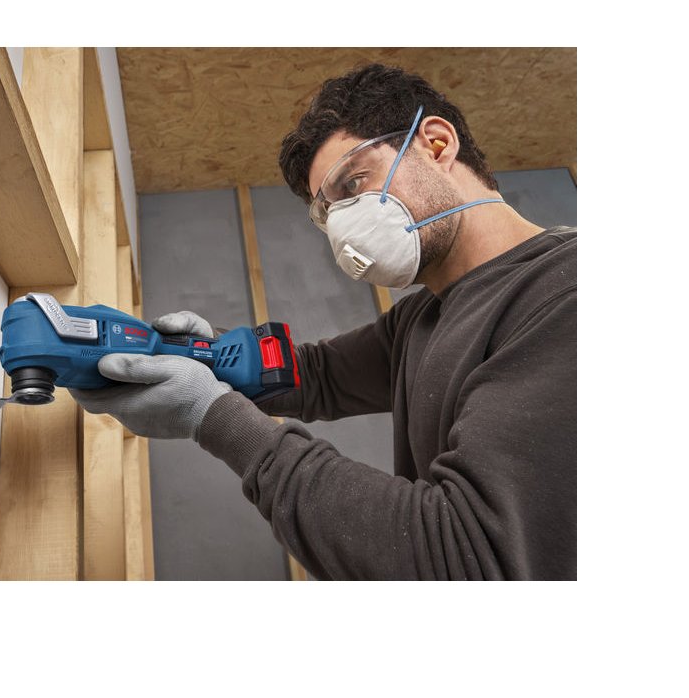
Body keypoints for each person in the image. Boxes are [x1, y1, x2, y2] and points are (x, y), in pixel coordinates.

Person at [71, 64, 576, 580]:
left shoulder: (567, 295)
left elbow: (456, 558)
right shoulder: (424, 315)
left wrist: (212, 415)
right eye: (329, 211)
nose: (345, 227)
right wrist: (209, 355)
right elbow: (318, 376)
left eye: (354, 183)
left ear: (437, 144)